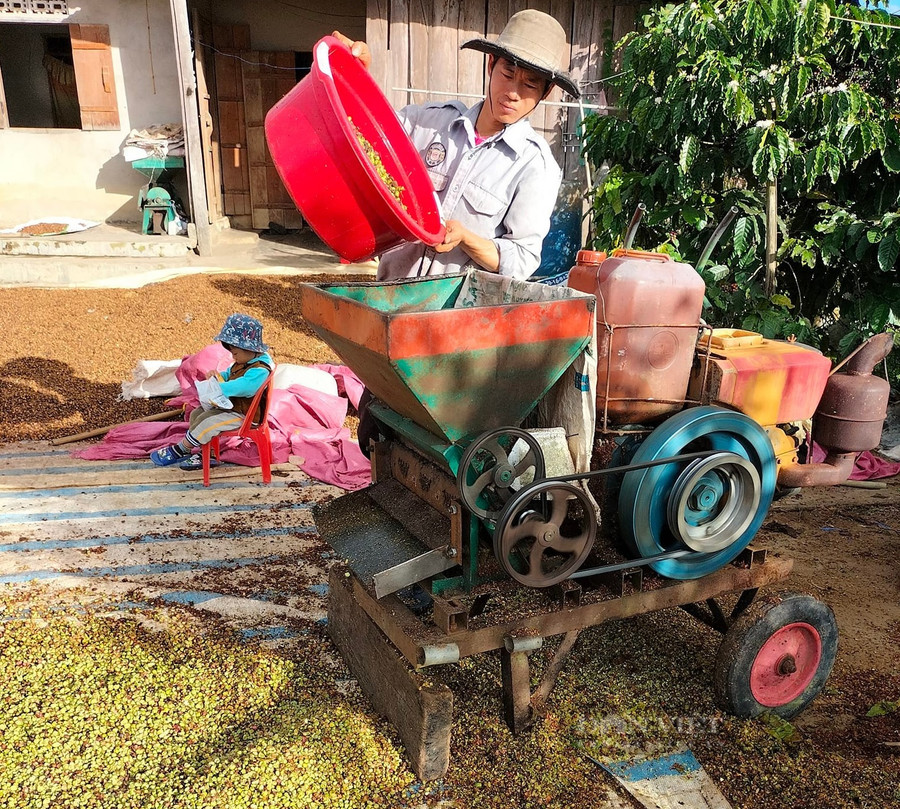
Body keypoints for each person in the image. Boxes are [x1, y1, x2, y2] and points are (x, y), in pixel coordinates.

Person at [333, 9, 580, 281]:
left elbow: (521, 259)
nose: (513, 92)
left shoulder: (536, 166)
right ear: (491, 64)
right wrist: (353, 77)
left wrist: (465, 238)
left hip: (458, 307)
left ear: (546, 92)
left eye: (530, 84)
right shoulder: (429, 122)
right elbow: (367, 135)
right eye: (507, 73)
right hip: (388, 295)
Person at [150, 313, 274, 470]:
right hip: (233, 408)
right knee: (197, 414)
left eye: (235, 353)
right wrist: (218, 376)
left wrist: (219, 387)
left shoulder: (259, 370)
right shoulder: (245, 360)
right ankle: (208, 453)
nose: (233, 356)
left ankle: (182, 449)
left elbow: (245, 387)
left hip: (245, 416)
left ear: (249, 348)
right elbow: (230, 373)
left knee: (208, 423)